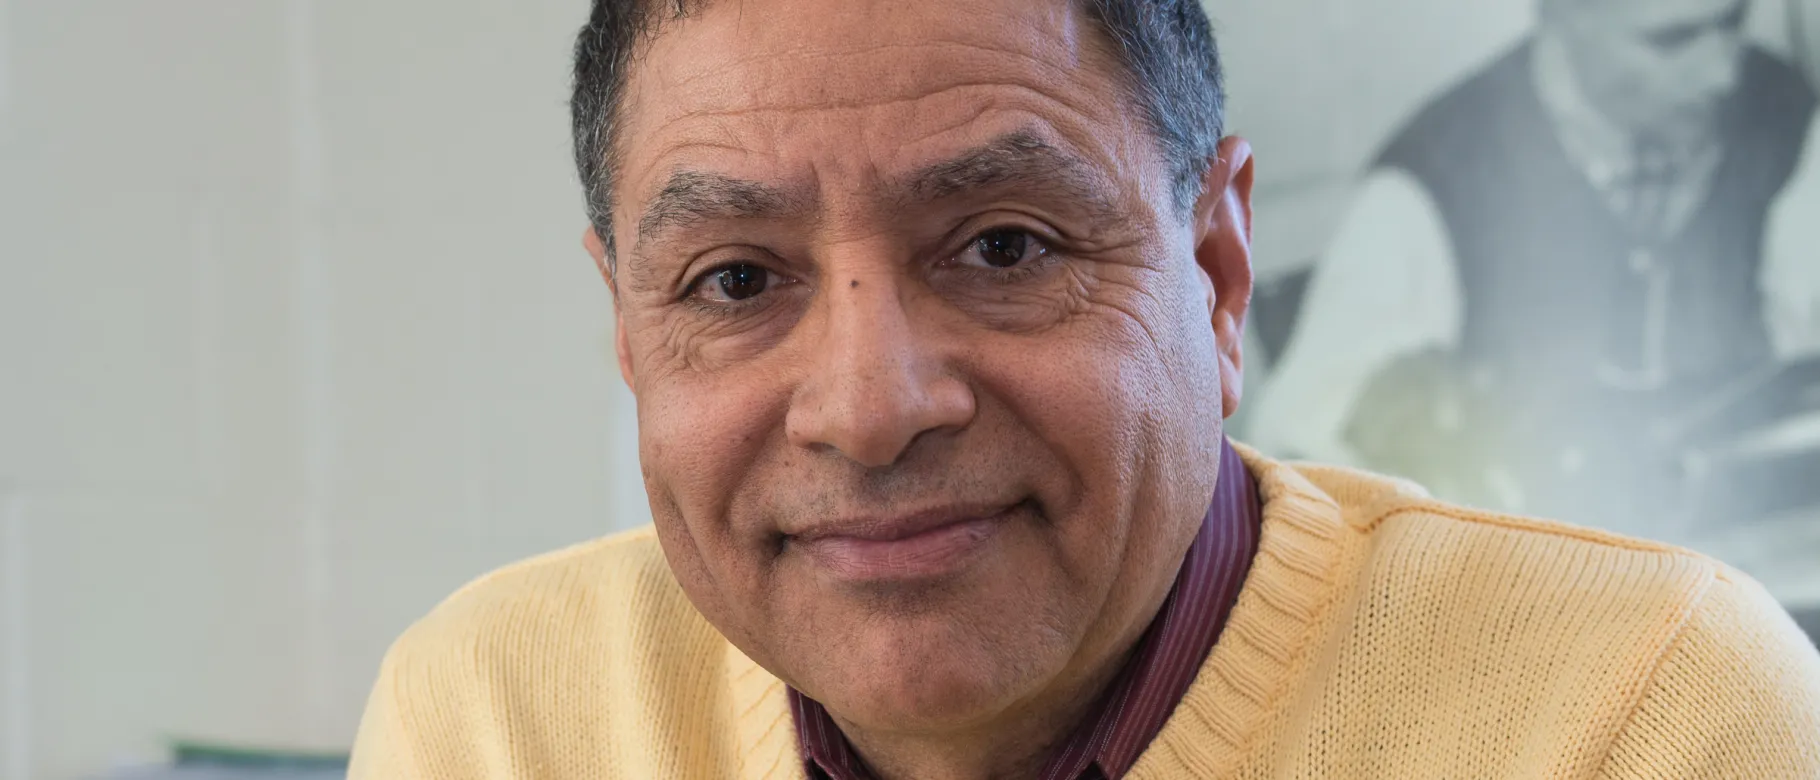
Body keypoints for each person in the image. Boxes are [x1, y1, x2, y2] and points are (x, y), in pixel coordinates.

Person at [348, 0, 1820, 777]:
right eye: (737, 281)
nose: (868, 408)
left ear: (1220, 273)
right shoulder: (498, 724)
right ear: (626, 327)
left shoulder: (1640, 721)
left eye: (1003, 245)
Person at [1248, 0, 1820, 527]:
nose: (1722, 75)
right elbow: (1296, 453)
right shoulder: (1437, 176)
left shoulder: (1788, 118)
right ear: (1563, 16)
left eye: (1732, 24)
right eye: (1672, 43)